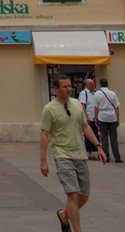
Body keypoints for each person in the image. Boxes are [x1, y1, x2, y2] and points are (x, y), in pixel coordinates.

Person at [40, 73, 105, 232]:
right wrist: (43, 160)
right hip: (62, 155)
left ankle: (64, 215)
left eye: (70, 86)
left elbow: (85, 127)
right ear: (56, 89)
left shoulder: (76, 104)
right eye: (65, 86)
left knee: (84, 196)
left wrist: (98, 146)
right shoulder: (49, 109)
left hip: (80, 154)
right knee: (73, 195)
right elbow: (44, 134)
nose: (69, 89)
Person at [94, 78, 122, 163]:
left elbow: (96, 108)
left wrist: (96, 118)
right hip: (112, 117)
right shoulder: (112, 93)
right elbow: (117, 107)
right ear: (107, 84)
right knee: (114, 138)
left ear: (100, 84)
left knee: (104, 138)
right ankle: (117, 157)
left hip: (102, 117)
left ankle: (107, 157)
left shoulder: (97, 94)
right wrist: (117, 119)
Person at [78, 78, 99, 160]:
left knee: (96, 135)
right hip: (89, 117)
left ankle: (97, 151)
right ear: (87, 85)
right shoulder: (84, 93)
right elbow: (82, 105)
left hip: (95, 117)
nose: (94, 86)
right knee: (88, 136)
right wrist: (85, 117)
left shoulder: (94, 93)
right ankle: (89, 153)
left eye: (94, 84)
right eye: (92, 84)